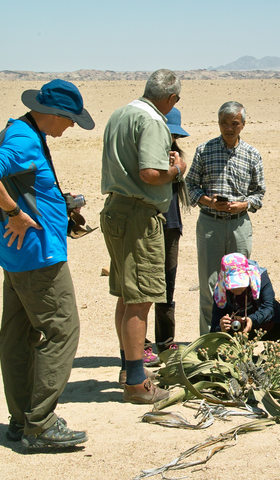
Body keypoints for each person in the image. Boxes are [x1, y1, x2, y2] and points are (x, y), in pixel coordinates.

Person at [0, 79, 93, 450]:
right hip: (39, 257)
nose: (70, 127)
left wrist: (55, 197)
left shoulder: (19, 129)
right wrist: (15, 212)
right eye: (70, 119)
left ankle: (21, 418)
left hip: (19, 257)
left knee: (18, 337)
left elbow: (20, 181)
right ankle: (40, 423)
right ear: (53, 113)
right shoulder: (24, 139)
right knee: (62, 331)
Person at [101, 69, 185, 404]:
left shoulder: (121, 114)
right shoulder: (152, 121)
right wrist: (176, 170)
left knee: (126, 293)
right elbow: (151, 174)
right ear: (172, 99)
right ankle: (137, 384)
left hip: (118, 210)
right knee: (141, 298)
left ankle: (129, 367)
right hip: (138, 215)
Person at [186, 101, 266, 335]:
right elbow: (190, 184)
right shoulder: (204, 150)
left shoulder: (252, 154)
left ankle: (240, 337)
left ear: (243, 125)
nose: (228, 128)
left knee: (242, 284)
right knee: (210, 285)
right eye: (224, 123)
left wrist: (245, 204)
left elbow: (259, 192)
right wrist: (208, 201)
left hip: (239, 224)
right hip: (210, 223)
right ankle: (209, 340)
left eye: (234, 124)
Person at [151, 107, 190, 356]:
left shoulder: (177, 160)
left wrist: (177, 171)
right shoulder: (146, 157)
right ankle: (141, 344)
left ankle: (165, 340)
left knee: (168, 283)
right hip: (149, 225)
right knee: (144, 285)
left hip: (171, 225)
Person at [210, 253, 280, 345]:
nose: (237, 288)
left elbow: (269, 308)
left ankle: (276, 352)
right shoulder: (220, 290)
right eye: (232, 286)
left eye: (240, 284)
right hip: (239, 332)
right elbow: (214, 327)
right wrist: (221, 328)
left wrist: (251, 320)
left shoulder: (261, 278)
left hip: (266, 325)